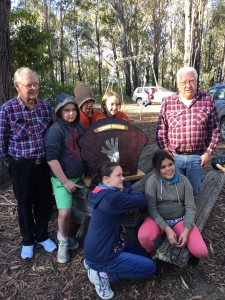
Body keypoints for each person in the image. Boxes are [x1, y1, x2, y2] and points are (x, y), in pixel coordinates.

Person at [0, 67, 56, 259]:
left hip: (43, 165)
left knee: (45, 203)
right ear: (17, 86)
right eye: (29, 84)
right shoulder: (7, 110)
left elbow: (52, 136)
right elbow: (2, 142)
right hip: (21, 166)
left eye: (36, 84)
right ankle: (27, 241)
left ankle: (42, 236)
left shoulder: (45, 107)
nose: (33, 88)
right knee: (24, 205)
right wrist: (13, 164)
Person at [84, 162, 157, 300]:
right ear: (106, 179)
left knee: (145, 255)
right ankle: (103, 275)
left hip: (106, 246)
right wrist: (124, 190)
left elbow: (127, 191)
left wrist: (122, 189)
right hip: (103, 255)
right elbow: (142, 200)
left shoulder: (99, 191)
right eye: (119, 175)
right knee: (151, 268)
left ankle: (96, 267)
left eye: (122, 174)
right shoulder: (113, 198)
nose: (123, 178)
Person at [156, 66, 220, 195]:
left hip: (197, 158)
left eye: (191, 81)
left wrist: (208, 153)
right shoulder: (168, 102)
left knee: (193, 191)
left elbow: (215, 130)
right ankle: (176, 215)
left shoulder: (207, 100)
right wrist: (167, 154)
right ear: (177, 84)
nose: (188, 85)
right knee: (174, 191)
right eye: (184, 82)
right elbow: (161, 131)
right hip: (174, 158)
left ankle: (192, 215)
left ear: (196, 82)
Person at [138, 151, 208, 265]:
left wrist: (186, 231)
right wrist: (166, 228)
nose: (168, 169)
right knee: (143, 236)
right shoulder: (152, 182)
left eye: (170, 164)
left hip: (179, 218)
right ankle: (153, 256)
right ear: (156, 170)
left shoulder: (184, 181)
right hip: (158, 219)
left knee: (201, 252)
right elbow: (151, 209)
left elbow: (190, 207)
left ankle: (190, 252)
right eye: (163, 167)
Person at [44, 93, 86, 263]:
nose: (71, 113)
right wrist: (65, 182)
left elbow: (86, 149)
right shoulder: (55, 131)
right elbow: (52, 159)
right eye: (66, 110)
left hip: (81, 177)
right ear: (59, 112)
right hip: (62, 179)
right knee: (65, 213)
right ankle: (63, 240)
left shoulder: (80, 127)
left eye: (73, 109)